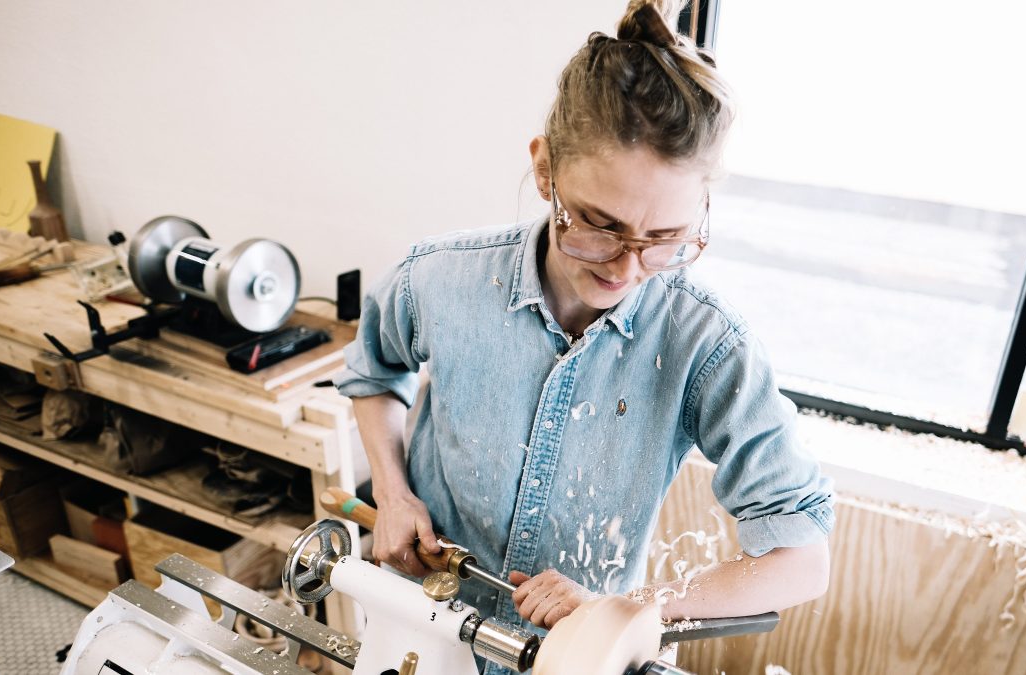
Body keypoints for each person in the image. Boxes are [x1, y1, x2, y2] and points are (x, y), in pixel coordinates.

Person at [335, 0, 834, 658]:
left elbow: (803, 558)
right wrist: (394, 493)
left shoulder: (707, 346)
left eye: (666, 239)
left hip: (579, 658)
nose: (629, 268)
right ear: (544, 169)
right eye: (600, 224)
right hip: (423, 634)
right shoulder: (439, 277)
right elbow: (375, 372)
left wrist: (631, 603)